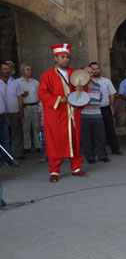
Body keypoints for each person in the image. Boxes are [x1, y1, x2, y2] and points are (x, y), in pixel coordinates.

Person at [37, 44, 87, 182]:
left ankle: (76, 168)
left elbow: (83, 92)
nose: (65, 59)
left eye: (67, 57)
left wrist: (81, 90)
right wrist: (60, 99)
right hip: (56, 114)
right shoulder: (47, 75)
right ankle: (54, 171)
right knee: (55, 141)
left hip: (72, 114)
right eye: (62, 57)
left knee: (75, 140)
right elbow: (42, 93)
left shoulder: (75, 73)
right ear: (56, 58)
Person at [90, 62, 121, 155]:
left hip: (105, 109)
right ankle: (97, 152)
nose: (96, 70)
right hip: (93, 110)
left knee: (110, 129)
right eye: (93, 69)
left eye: (97, 68)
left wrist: (111, 106)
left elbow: (112, 94)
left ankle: (115, 149)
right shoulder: (88, 82)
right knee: (95, 132)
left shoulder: (106, 81)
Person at [80, 65, 109, 164]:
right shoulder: (79, 87)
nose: (90, 74)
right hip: (84, 117)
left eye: (91, 72)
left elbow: (100, 98)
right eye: (87, 72)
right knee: (86, 139)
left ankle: (102, 156)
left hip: (97, 116)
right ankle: (90, 157)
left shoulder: (98, 85)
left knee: (100, 137)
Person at [2, 62, 24, 160]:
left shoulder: (15, 82)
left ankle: (17, 153)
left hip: (14, 111)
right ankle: (5, 155)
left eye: (8, 69)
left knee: (16, 132)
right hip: (3, 113)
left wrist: (21, 109)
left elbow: (19, 96)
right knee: (4, 135)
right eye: (5, 69)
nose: (7, 71)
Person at [18, 64, 41, 153]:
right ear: (22, 71)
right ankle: (26, 146)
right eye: (27, 69)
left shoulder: (35, 82)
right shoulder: (18, 82)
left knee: (36, 126)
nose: (30, 71)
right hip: (25, 106)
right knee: (26, 127)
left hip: (35, 106)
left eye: (30, 69)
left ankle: (38, 144)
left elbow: (39, 94)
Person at [0, 74, 11, 166]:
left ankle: (6, 160)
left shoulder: (1, 84)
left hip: (2, 116)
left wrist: (6, 115)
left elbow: (4, 100)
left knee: (6, 140)